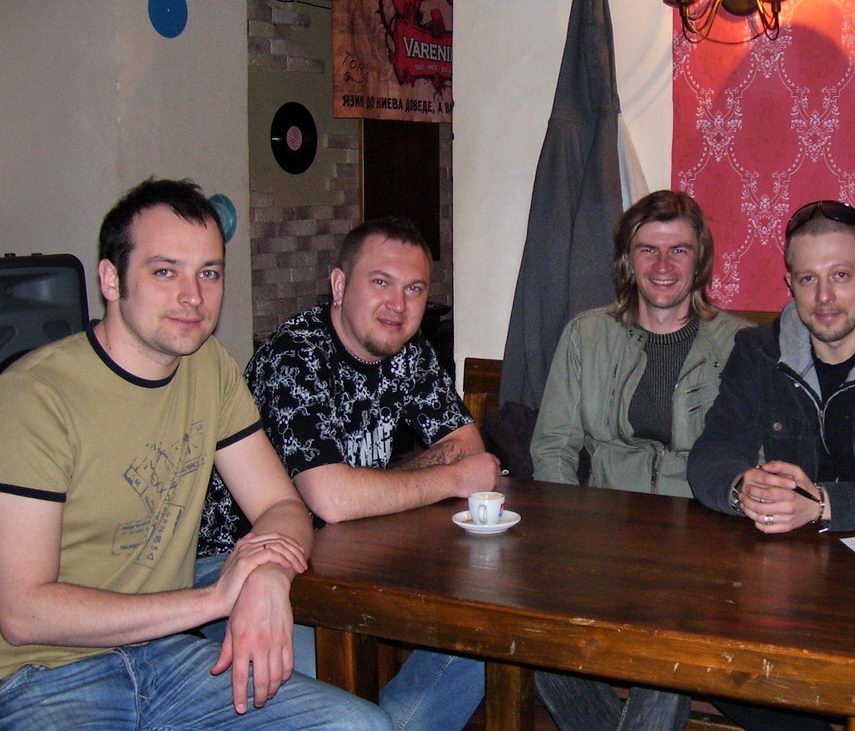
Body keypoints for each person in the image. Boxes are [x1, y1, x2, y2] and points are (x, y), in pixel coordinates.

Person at [0, 178, 390, 729]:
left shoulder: (209, 367)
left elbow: (280, 506)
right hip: (45, 675)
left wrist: (268, 576)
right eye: (166, 272)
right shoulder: (34, 396)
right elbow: (23, 613)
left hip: (166, 657)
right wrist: (216, 600)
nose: (193, 297)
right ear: (111, 280)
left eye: (209, 273)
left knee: (360, 725)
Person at [198, 216, 500, 730]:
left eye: (414, 289)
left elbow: (466, 446)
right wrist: (446, 479)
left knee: (486, 635)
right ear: (339, 285)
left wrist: (377, 485)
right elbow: (332, 498)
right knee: (337, 694)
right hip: (238, 567)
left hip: (350, 555)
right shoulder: (295, 355)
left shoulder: (408, 351)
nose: (398, 305)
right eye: (380, 282)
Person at [687, 199, 855, 729]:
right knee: (715, 664)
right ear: (790, 283)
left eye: (841, 275)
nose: (824, 298)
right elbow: (711, 454)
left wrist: (822, 504)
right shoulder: (759, 352)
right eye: (808, 279)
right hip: (798, 579)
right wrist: (744, 488)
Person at [530, 190, 750, 731]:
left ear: (700, 260)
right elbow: (554, 445)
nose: (662, 264)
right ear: (628, 259)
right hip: (601, 532)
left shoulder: (741, 344)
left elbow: (756, 457)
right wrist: (565, 530)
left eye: (679, 250)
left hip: (700, 541)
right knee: (543, 638)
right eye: (648, 249)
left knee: (665, 640)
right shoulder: (587, 334)